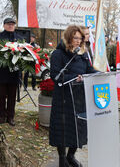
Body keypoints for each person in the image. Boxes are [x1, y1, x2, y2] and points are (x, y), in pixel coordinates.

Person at [49, 25, 97, 167]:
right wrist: (73, 77)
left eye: (80, 38)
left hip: (79, 97)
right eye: (75, 38)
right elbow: (55, 75)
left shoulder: (83, 53)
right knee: (63, 129)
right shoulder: (58, 54)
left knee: (78, 127)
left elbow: (89, 69)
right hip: (64, 98)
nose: (78, 41)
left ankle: (71, 155)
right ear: (69, 37)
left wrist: (100, 75)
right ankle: (62, 158)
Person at [0, 18, 23, 126]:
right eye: (8, 24)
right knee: (1, 96)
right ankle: (2, 115)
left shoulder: (20, 39)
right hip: (1, 72)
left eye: (12, 24)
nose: (10, 26)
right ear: (4, 25)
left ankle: (10, 117)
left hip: (14, 73)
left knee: (12, 97)